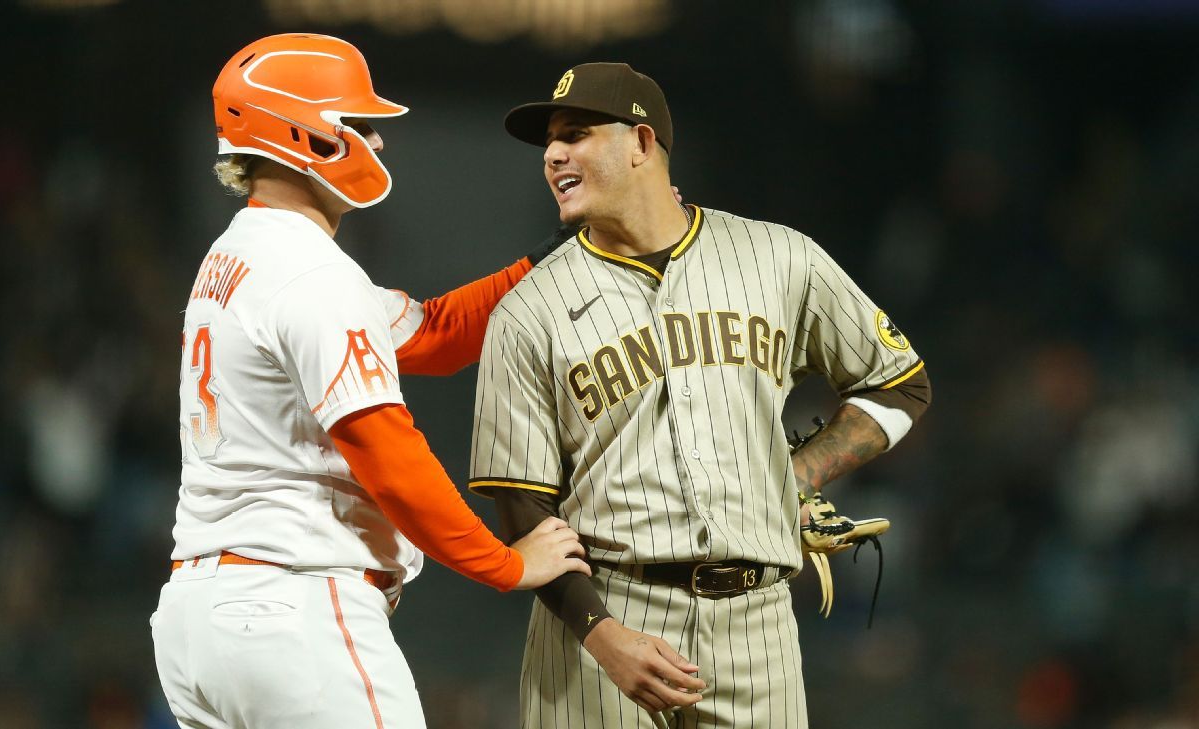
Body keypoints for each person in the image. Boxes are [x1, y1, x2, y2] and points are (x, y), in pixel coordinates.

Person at [468, 63, 932, 727]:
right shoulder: (527, 310)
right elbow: (521, 500)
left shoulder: (779, 258)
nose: (553, 154)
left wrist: (797, 473)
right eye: (549, 141)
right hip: (604, 620)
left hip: (758, 623)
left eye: (575, 133)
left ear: (642, 143)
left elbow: (899, 382)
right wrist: (601, 632)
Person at [149, 34, 590, 729]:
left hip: (200, 624)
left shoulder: (238, 253)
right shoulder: (312, 273)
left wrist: (560, 260)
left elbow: (436, 332)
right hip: (296, 611)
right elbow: (387, 452)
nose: (377, 142)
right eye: (357, 124)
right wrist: (504, 563)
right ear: (303, 134)